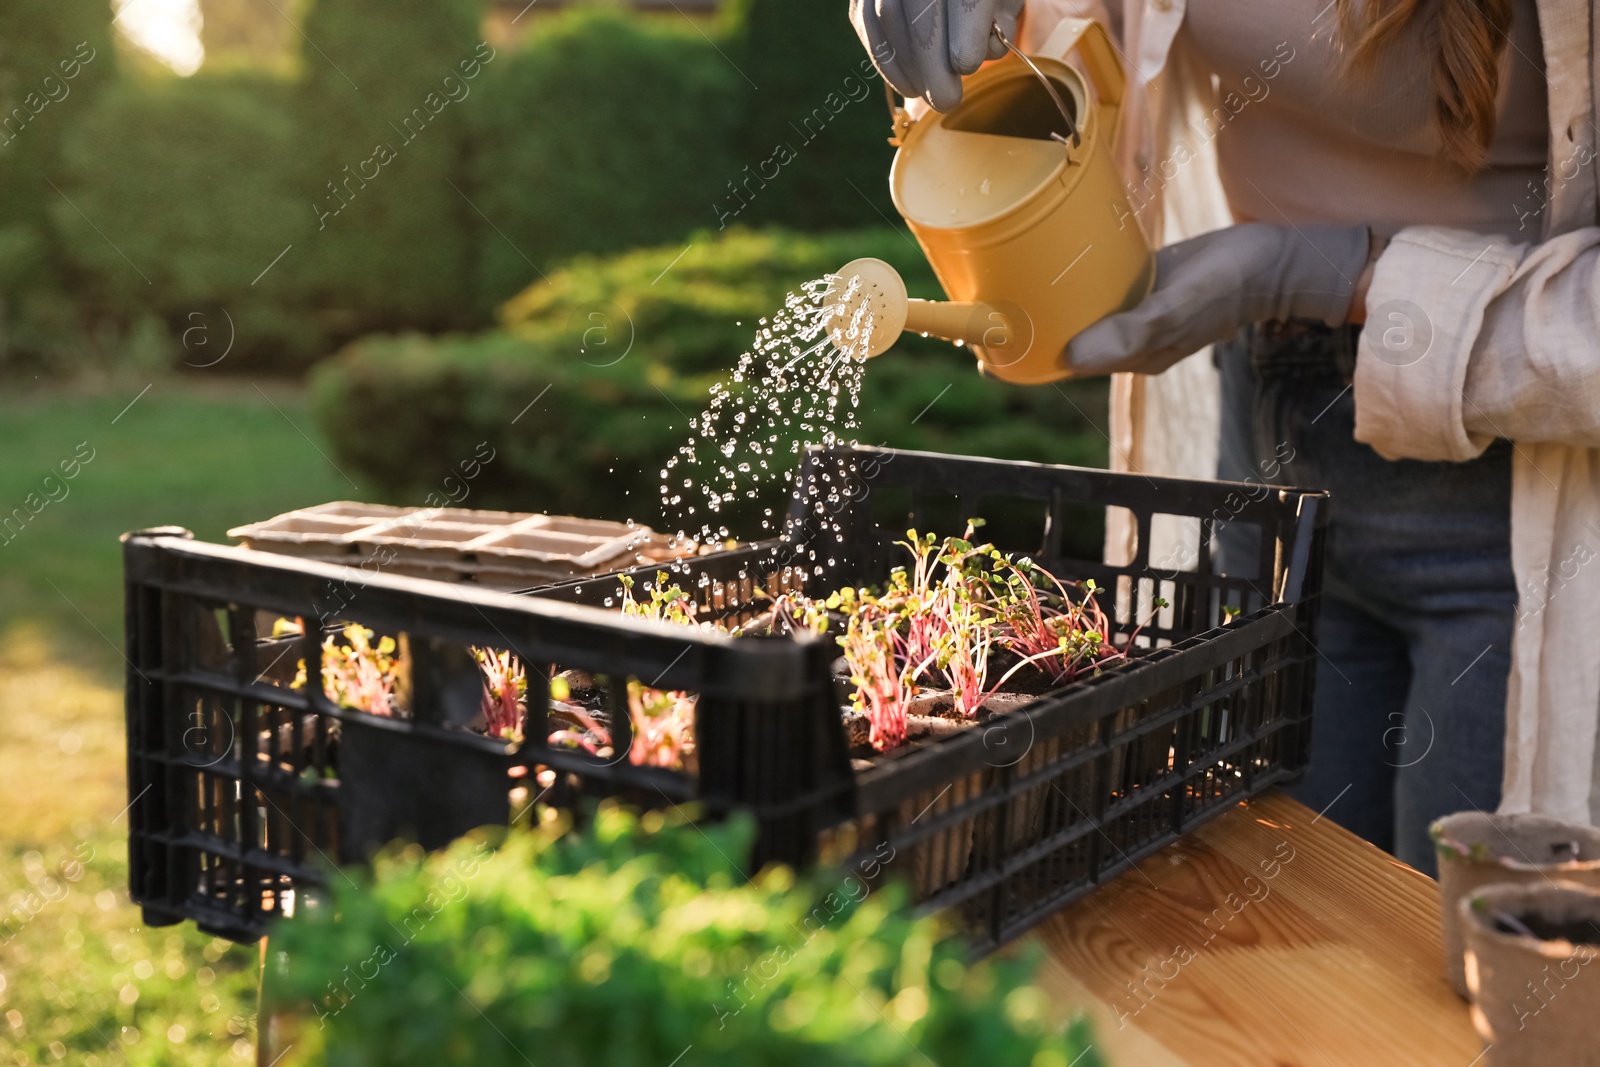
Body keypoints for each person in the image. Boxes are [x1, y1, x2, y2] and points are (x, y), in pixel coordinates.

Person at [851, 0, 1600, 875]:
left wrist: (1316, 270)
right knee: (1275, 929)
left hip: (1520, 496)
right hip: (1266, 449)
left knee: (1467, 968)